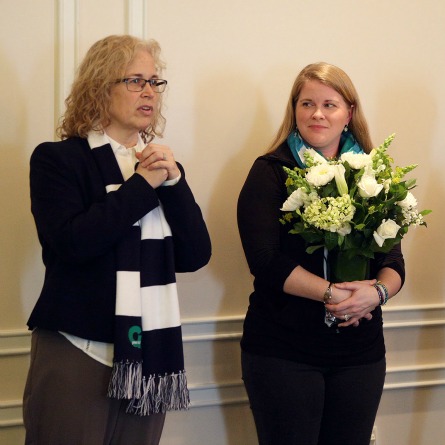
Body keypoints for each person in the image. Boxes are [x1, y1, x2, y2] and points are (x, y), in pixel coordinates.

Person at [23, 34, 211, 445]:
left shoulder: (161, 166)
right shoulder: (58, 160)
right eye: (134, 81)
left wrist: (174, 183)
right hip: (77, 347)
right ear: (99, 88)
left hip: (150, 353)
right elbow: (73, 243)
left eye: (155, 82)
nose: (149, 92)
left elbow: (196, 255)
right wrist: (143, 185)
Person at [237, 62, 404, 445]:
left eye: (330, 104)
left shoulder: (374, 177)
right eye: (307, 103)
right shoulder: (270, 172)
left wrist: (375, 294)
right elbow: (265, 261)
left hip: (360, 354)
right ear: (294, 111)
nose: (317, 113)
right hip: (283, 351)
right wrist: (334, 295)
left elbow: (392, 261)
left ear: (349, 113)